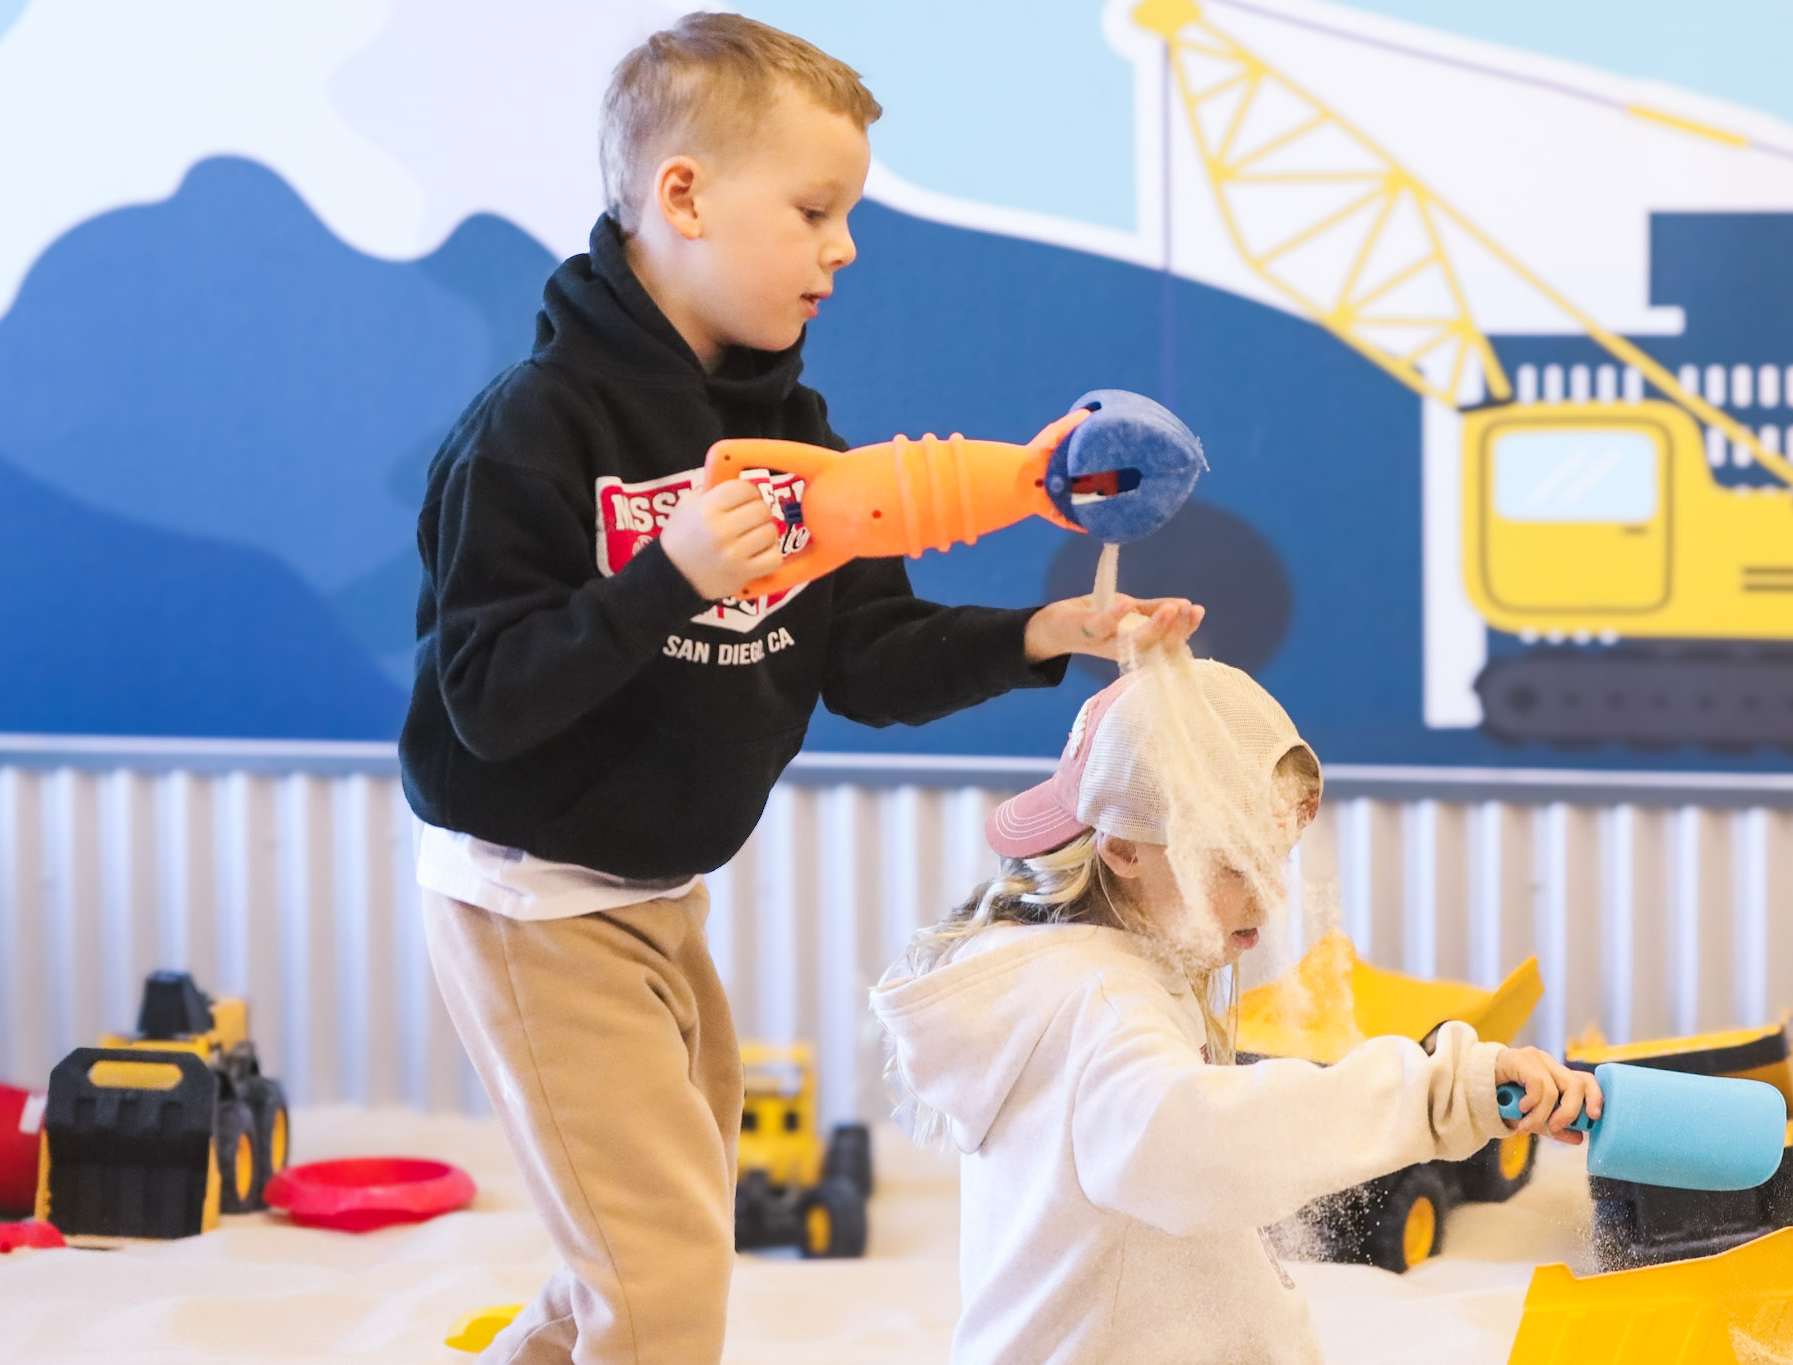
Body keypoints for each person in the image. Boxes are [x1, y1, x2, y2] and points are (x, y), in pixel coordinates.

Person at [398, 14, 1201, 1364]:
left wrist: (1048, 630)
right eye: (817, 210)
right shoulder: (533, 433)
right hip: (532, 901)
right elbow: (484, 699)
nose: (845, 249)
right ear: (686, 196)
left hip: (659, 894)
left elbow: (867, 660)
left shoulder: (794, 438)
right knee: (658, 1286)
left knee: (650, 1241)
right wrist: (669, 575)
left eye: (851, 215)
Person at [873, 658, 1602, 1365]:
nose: (1267, 897)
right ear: (1123, 848)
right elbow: (1198, 1146)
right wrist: (1446, 1091)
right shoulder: (1101, 1008)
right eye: (1232, 863)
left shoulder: (1061, 978)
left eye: (1277, 858)